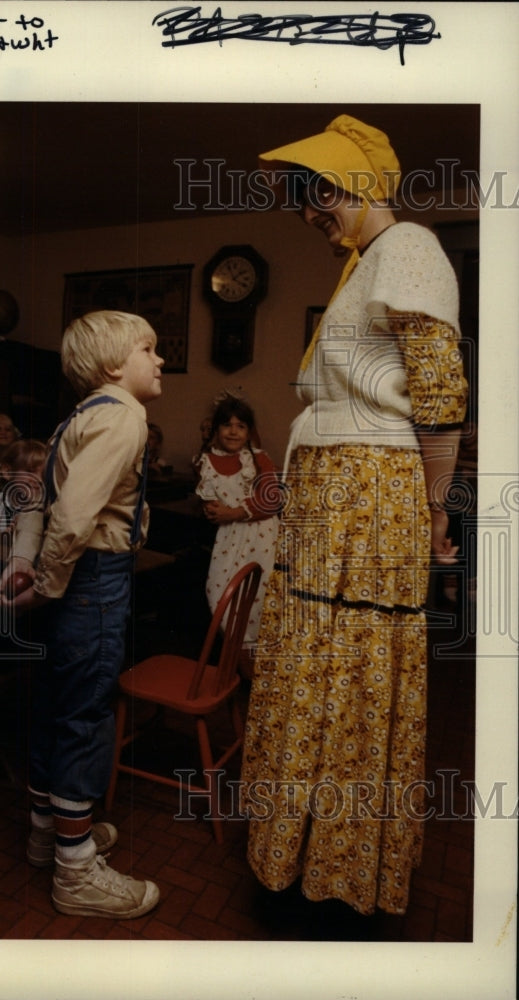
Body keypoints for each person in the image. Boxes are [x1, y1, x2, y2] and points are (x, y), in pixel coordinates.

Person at [240, 115, 468, 917]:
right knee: (316, 673)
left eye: (321, 193)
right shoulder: (366, 263)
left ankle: (335, 875)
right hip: (335, 501)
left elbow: (439, 397)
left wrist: (434, 515)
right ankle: (298, 859)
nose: (310, 214)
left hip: (370, 504)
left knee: (350, 676)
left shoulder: (405, 247)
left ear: (361, 184)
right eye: (301, 201)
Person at [0, 310, 164, 919]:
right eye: (150, 349)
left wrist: (24, 561)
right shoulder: (124, 415)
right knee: (86, 717)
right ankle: (76, 871)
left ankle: (50, 835)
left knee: (55, 705)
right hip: (93, 581)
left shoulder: (78, 416)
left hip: (74, 578)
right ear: (115, 366)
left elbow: (43, 504)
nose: (160, 360)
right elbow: (72, 519)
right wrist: (45, 582)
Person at [195, 392, 281, 664]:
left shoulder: (258, 459)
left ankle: (256, 669)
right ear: (216, 429)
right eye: (227, 425)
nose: (233, 432)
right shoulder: (205, 462)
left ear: (248, 431)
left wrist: (233, 511)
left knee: (260, 597)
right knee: (221, 595)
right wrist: (218, 511)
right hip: (229, 540)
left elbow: (272, 501)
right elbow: (211, 508)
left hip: (264, 538)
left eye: (240, 426)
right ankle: (238, 662)